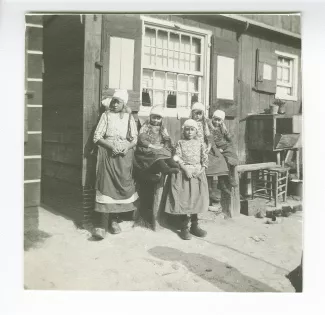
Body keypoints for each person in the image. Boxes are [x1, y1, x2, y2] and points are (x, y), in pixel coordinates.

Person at [92, 89, 139, 239]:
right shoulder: (106, 116)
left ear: (123, 103)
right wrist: (111, 146)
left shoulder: (128, 117)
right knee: (106, 187)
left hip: (123, 156)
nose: (114, 104)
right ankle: (102, 225)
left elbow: (134, 139)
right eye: (113, 101)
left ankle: (114, 221)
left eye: (117, 102)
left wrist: (126, 146)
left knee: (120, 188)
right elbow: (97, 136)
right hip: (108, 154)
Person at [164, 119, 209, 240]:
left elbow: (204, 159)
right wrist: (185, 169)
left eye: (192, 129)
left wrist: (201, 170)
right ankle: (184, 227)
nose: (189, 132)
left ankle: (195, 226)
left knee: (196, 200)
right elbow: (177, 157)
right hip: (185, 174)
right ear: (184, 131)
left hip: (197, 174)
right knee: (185, 200)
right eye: (187, 129)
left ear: (196, 131)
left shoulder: (200, 143)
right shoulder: (180, 143)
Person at [134, 105, 179, 180]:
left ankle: (173, 164)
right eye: (154, 117)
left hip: (159, 146)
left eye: (158, 118)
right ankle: (166, 169)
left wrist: (166, 144)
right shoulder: (146, 127)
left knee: (167, 152)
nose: (156, 120)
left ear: (161, 119)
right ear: (150, 117)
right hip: (149, 147)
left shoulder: (162, 128)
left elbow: (166, 138)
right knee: (158, 156)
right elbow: (141, 139)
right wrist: (151, 146)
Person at [208, 110, 239, 187]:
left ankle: (230, 176)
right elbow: (210, 140)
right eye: (215, 119)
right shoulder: (209, 128)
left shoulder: (222, 127)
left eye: (219, 120)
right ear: (212, 118)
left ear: (222, 121)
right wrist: (216, 149)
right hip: (213, 147)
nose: (217, 122)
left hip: (223, 146)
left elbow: (229, 140)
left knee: (231, 156)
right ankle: (222, 181)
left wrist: (226, 132)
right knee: (220, 159)